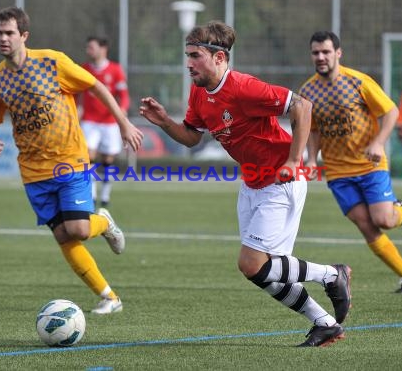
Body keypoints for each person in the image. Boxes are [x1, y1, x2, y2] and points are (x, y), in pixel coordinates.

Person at [139, 21, 351, 347]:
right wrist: (165, 121)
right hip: (251, 184)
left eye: (195, 56)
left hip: (281, 182)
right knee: (265, 273)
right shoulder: (198, 92)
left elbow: (302, 106)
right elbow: (192, 138)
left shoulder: (242, 87)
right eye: (188, 55)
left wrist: (295, 160)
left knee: (252, 264)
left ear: (220, 58)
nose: (189, 63)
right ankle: (324, 323)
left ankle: (333, 275)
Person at [0, 6, 143, 314]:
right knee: (62, 235)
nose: (3, 38)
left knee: (79, 229)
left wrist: (123, 123)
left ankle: (103, 222)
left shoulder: (52, 62)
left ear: (24, 36)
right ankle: (109, 297)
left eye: (9, 33)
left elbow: (95, 85)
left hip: (70, 160)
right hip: (32, 171)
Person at [300, 31, 402, 294]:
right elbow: (313, 129)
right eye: (315, 53)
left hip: (369, 166)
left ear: (338, 53)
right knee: (366, 225)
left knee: (384, 219)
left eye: (326, 52)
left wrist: (378, 142)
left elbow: (391, 111)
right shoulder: (308, 91)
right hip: (337, 172)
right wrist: (312, 159)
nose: (320, 57)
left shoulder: (357, 81)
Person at [78, 36, 130, 209]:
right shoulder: (84, 69)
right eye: (87, 47)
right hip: (89, 121)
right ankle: (91, 194)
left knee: (108, 159)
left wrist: (121, 111)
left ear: (103, 49)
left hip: (109, 122)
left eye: (91, 47)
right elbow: (74, 92)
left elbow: (123, 95)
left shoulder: (115, 70)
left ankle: (105, 195)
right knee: (88, 156)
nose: (88, 51)